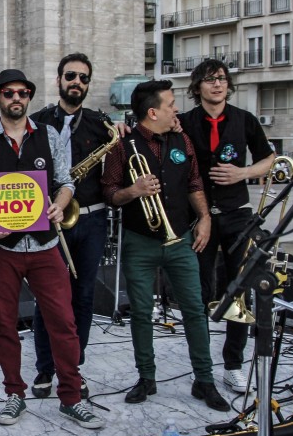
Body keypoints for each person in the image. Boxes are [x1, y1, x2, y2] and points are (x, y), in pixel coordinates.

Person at [0, 69, 105, 429]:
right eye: (9, 92)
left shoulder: (51, 135)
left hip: (45, 245)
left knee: (64, 321)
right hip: (2, 249)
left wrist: (60, 202)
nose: (16, 98)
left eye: (23, 93)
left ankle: (71, 396)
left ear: (28, 97)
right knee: (5, 324)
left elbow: (66, 181)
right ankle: (15, 394)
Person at [101, 79, 229, 412]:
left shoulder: (181, 139)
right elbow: (110, 193)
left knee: (195, 309)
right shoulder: (122, 146)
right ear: (153, 111)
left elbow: (194, 182)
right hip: (139, 243)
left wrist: (204, 218)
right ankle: (147, 377)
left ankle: (205, 380)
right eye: (171, 104)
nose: (176, 109)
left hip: (180, 241)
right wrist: (135, 191)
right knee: (141, 313)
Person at [178, 60, 275, 394]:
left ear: (228, 85)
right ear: (197, 87)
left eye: (221, 79)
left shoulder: (244, 119)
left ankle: (232, 364)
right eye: (209, 80)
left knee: (239, 292)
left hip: (237, 215)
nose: (217, 85)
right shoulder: (184, 123)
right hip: (200, 217)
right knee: (200, 292)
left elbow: (269, 158)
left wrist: (243, 173)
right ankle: (202, 367)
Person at [28, 53, 116, 401]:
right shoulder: (37, 122)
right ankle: (45, 368)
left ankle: (72, 367)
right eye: (70, 76)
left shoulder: (101, 124)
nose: (76, 82)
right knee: (47, 297)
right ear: (59, 80)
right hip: (49, 218)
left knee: (83, 296)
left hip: (91, 219)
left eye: (83, 78)